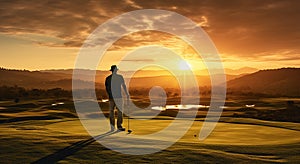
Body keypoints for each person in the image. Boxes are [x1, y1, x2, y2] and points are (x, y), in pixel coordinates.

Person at [105, 65, 129, 131]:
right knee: (119, 112)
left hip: (112, 98)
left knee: (112, 112)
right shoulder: (120, 77)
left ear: (111, 70)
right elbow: (124, 86)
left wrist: (109, 94)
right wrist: (126, 94)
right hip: (118, 97)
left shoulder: (108, 78)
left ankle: (113, 127)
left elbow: (107, 88)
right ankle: (119, 126)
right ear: (115, 70)